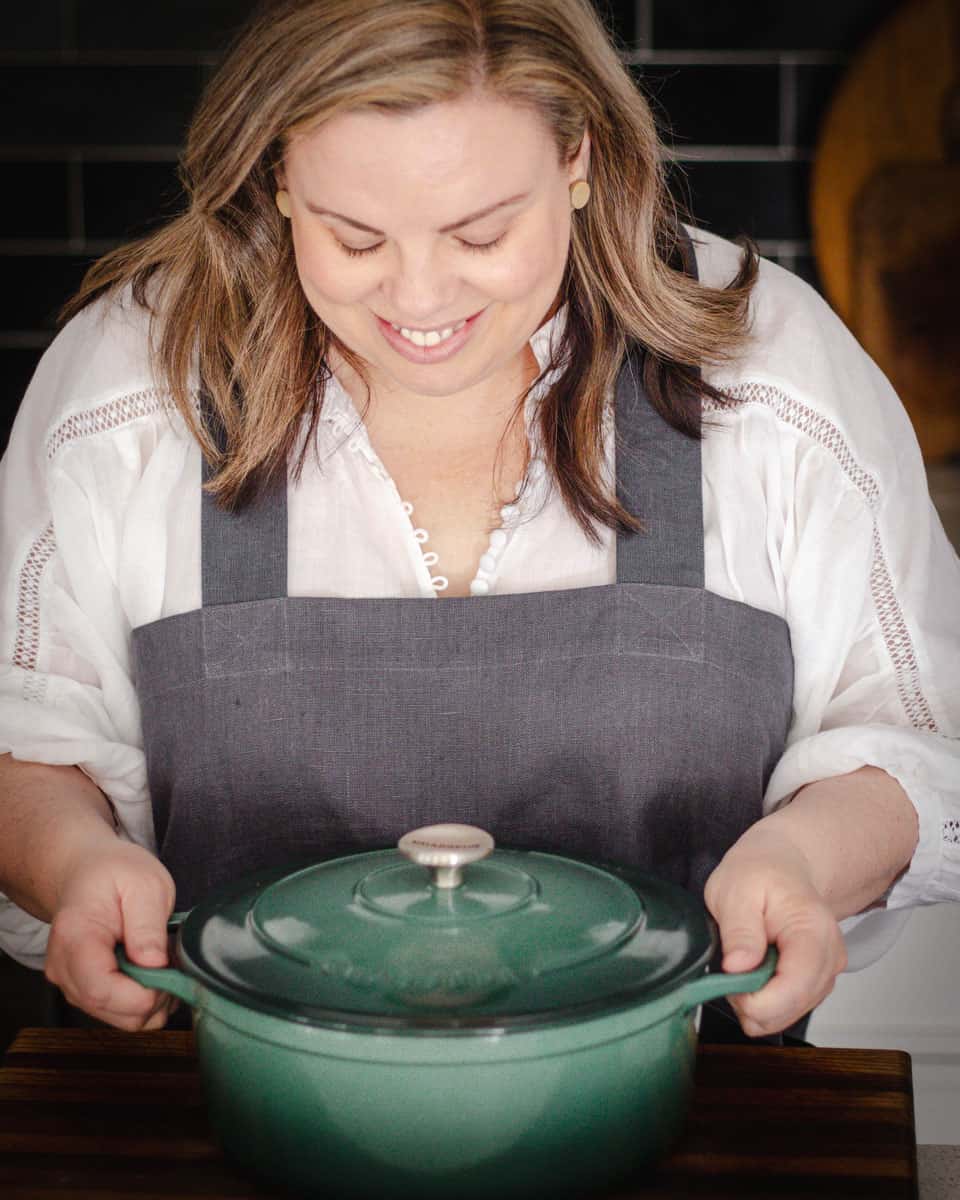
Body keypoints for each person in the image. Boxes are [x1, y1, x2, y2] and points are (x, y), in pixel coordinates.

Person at [0, 0, 957, 1044]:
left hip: (693, 1119)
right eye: (353, 235)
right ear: (277, 174)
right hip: (211, 1117)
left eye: (482, 232)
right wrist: (75, 864)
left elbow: (912, 734)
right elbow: (27, 738)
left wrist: (806, 861)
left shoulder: (763, 368)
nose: (418, 296)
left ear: (579, 156)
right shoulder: (134, 388)